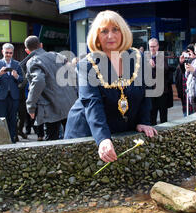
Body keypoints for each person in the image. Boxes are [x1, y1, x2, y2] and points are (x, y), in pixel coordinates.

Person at [64, 10, 158, 163]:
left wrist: (144, 120)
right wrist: (103, 139)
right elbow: (92, 103)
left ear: (123, 32)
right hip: (87, 132)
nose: (110, 36)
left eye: (115, 29)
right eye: (104, 31)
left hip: (120, 129)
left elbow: (146, 93)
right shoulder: (86, 65)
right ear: (97, 37)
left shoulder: (138, 58)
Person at [24, 36, 77, 141]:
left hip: (51, 106)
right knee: (72, 137)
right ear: (41, 45)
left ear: (27, 51)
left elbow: (38, 80)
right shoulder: (57, 55)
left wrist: (30, 106)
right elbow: (73, 73)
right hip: (70, 102)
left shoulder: (33, 61)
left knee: (52, 140)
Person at [0, 43, 24, 143]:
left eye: (10, 53)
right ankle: (1, 141)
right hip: (0, 98)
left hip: (13, 97)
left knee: (13, 120)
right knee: (1, 120)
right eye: (6, 52)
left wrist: (16, 76)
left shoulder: (17, 64)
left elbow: (22, 79)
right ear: (2, 52)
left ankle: (12, 140)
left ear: (13, 53)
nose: (8, 55)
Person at [148, 38, 173, 125]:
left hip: (162, 91)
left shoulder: (162, 57)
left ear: (158, 46)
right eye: (151, 47)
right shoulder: (146, 57)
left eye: (154, 46)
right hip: (150, 91)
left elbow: (165, 69)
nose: (152, 49)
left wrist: (154, 66)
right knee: (152, 115)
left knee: (163, 115)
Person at [175, 44, 196, 116]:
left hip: (195, 94)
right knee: (186, 114)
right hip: (185, 94)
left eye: (189, 53)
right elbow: (182, 74)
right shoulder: (184, 64)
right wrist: (181, 62)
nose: (188, 56)